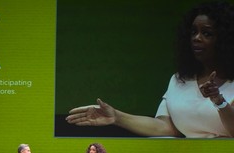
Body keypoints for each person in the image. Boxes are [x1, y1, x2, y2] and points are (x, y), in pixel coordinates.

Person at [66, 1, 234, 138]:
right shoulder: (179, 80)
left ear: (225, 40)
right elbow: (165, 127)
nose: (197, 38)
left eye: (207, 33)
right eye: (193, 32)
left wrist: (218, 100)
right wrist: (116, 117)